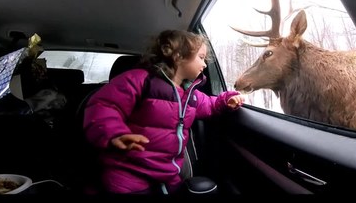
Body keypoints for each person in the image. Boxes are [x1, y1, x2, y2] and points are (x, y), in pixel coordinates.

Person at [83, 30, 245, 194]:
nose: (204, 64)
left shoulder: (190, 94)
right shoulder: (141, 80)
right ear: (178, 55)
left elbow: (210, 104)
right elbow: (105, 106)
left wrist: (226, 100)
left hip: (168, 172)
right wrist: (114, 134)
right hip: (127, 170)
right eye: (201, 57)